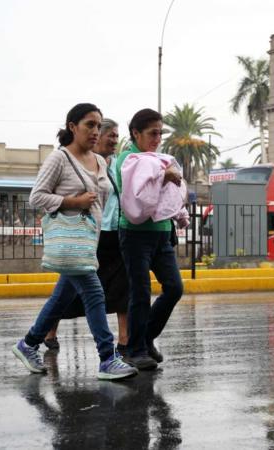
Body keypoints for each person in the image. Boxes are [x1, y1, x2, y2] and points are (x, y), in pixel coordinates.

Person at [12, 103, 137, 381]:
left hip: (88, 240)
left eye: (98, 125)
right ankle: (107, 358)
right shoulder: (59, 158)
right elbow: (37, 197)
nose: (95, 131)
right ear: (72, 127)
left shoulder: (101, 161)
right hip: (69, 241)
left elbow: (103, 198)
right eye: (89, 125)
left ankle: (28, 343)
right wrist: (72, 202)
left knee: (61, 298)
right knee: (94, 293)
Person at [43, 119, 130, 353]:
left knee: (122, 287)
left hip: (114, 231)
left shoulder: (112, 164)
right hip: (87, 236)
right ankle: (42, 335)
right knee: (72, 291)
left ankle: (123, 340)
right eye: (110, 135)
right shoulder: (73, 161)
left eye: (116, 136)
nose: (114, 140)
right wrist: (74, 202)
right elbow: (40, 196)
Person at [115, 108, 183, 371]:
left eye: (160, 133)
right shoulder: (127, 159)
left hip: (161, 232)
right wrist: (162, 176)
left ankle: (145, 338)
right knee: (140, 291)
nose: (157, 138)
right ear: (136, 133)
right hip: (134, 234)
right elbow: (134, 194)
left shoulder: (160, 158)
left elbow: (171, 193)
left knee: (174, 288)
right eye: (152, 133)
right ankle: (135, 350)